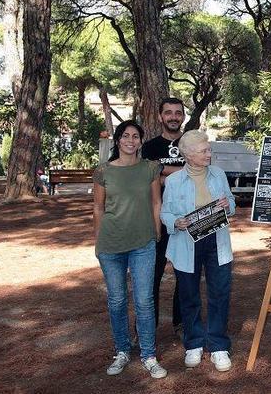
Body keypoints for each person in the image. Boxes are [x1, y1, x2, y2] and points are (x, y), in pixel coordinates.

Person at [92, 120, 168, 379]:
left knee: (145, 301)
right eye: (126, 136)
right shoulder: (103, 171)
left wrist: (156, 232)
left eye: (136, 136)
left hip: (143, 244)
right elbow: (98, 208)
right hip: (111, 245)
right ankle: (122, 350)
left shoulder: (150, 168)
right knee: (117, 301)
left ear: (140, 141)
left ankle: (148, 354)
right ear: (118, 140)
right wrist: (98, 240)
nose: (131, 140)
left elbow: (157, 202)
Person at [161, 129, 236, 372]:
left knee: (219, 293)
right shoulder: (173, 181)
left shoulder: (219, 174)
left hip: (217, 240)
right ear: (189, 155)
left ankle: (217, 346)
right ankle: (193, 343)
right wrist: (176, 222)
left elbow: (231, 204)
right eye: (204, 150)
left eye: (208, 149)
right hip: (186, 243)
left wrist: (227, 205)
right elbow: (165, 213)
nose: (209, 154)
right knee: (189, 295)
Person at [141, 97, 186, 333]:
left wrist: (161, 171)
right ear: (160, 117)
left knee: (185, 274)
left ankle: (181, 323)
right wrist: (183, 172)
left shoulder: (190, 143)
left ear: (183, 117)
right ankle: (148, 327)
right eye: (168, 113)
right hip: (156, 218)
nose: (173, 117)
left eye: (178, 113)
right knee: (152, 275)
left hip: (187, 219)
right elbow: (147, 177)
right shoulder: (148, 147)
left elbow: (199, 169)